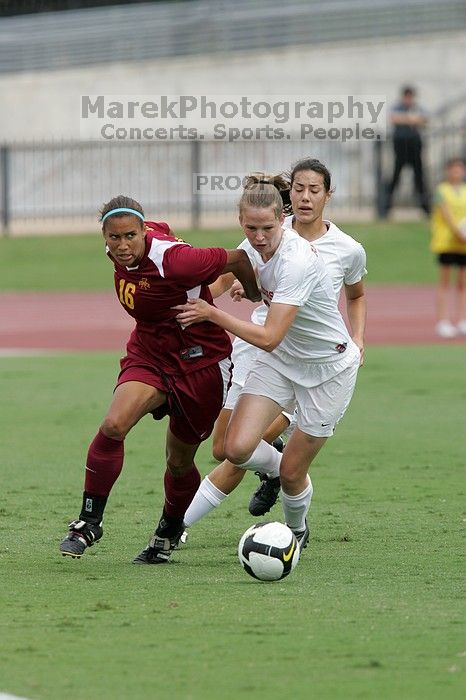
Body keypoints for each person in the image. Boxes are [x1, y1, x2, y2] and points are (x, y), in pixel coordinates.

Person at [59, 195, 260, 564]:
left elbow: (239, 258)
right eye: (114, 237)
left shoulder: (176, 261)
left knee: (178, 462)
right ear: (104, 235)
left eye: (130, 236)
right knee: (114, 424)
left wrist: (253, 292)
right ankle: (88, 522)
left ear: (142, 231)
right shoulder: (122, 245)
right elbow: (160, 228)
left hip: (201, 363)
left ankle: (167, 531)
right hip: (149, 353)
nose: (122, 246)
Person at [175, 181, 362, 551]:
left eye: (267, 229)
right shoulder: (250, 249)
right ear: (240, 222)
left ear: (283, 220)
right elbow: (229, 284)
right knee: (235, 448)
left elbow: (269, 336)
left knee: (295, 474)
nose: (259, 237)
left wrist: (211, 315)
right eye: (250, 228)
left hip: (328, 369)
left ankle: (295, 532)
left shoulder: (299, 260)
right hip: (280, 362)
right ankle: (277, 469)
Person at [430, 157, 466, 338]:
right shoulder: (441, 191)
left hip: (463, 245)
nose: (457, 173)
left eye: (460, 169)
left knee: (462, 283)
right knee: (445, 282)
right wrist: (459, 232)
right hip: (447, 241)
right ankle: (443, 320)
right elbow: (446, 214)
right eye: (454, 169)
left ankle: (461, 320)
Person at [384, 86, 430, 216]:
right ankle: (386, 206)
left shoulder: (418, 107)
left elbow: (425, 119)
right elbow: (393, 118)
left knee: (419, 176)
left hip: (415, 145)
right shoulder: (397, 107)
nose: (409, 100)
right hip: (400, 145)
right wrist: (411, 119)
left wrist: (407, 119)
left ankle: (425, 207)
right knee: (396, 175)